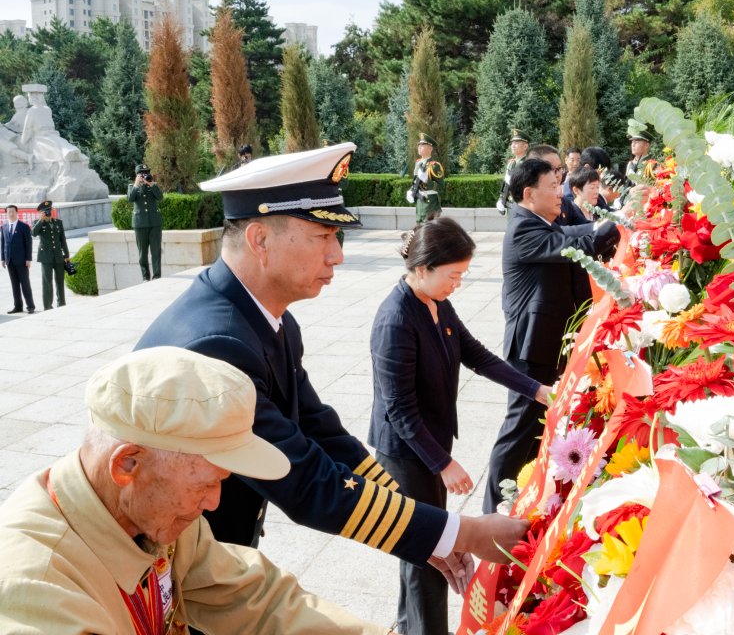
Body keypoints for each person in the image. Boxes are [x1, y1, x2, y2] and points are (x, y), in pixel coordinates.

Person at [136, 143, 524, 589]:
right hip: (159, 571)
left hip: (209, 554)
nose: (337, 254)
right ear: (259, 240)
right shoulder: (218, 344)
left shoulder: (260, 315)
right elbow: (303, 480)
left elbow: (320, 429)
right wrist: (464, 532)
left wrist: (420, 523)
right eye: (323, 236)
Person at [0, 346, 393, 634]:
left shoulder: (147, 507)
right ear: (127, 465)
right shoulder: (35, 586)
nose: (214, 502)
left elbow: (252, 598)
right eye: (206, 483)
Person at [370, 217, 552, 635]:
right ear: (422, 269)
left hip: (429, 443)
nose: (457, 284)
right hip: (406, 452)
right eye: (452, 275)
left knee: (423, 545)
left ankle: (409, 625)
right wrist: (443, 464)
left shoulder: (437, 303)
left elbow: (478, 356)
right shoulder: (395, 320)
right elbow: (399, 410)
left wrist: (536, 390)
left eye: (462, 276)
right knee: (428, 554)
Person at [484, 158, 621, 514]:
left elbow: (574, 233)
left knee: (536, 430)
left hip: (549, 340)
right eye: (553, 186)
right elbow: (572, 243)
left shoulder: (541, 220)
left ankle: (523, 499)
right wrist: (613, 226)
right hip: (531, 346)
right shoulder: (523, 229)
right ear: (528, 194)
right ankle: (493, 508)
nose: (560, 192)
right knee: (519, 429)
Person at [30, 200, 69, 310]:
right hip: (45, 257)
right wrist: (41, 221)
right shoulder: (37, 222)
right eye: (46, 211)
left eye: (49, 210)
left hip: (58, 256)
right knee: (47, 282)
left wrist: (66, 255)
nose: (48, 213)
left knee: (60, 281)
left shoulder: (58, 222)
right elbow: (33, 233)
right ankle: (47, 306)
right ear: (41, 213)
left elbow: (63, 239)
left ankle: (61, 304)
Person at [128, 164, 164, 282]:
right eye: (142, 174)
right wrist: (136, 184)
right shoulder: (133, 187)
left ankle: (157, 276)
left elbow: (160, 197)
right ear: (137, 175)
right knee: (142, 253)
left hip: (154, 223)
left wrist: (151, 184)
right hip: (140, 223)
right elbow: (130, 198)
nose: (144, 176)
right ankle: (145, 277)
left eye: (146, 173)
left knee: (156, 251)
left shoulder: (153, 185)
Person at [406, 133, 445, 223]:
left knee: (430, 231)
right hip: (419, 203)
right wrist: (411, 190)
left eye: (423, 145)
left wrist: (427, 181)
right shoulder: (418, 164)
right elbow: (416, 182)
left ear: (430, 149)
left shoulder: (434, 166)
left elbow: (441, 187)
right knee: (419, 229)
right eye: (419, 145)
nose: (419, 147)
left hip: (430, 204)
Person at [2, 205, 34, 314]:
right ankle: (18, 306)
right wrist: (2, 258)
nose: (11, 214)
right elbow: (3, 244)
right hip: (9, 260)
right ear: (6, 214)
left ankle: (30, 306)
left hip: (22, 260)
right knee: (14, 285)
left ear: (17, 212)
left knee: (25, 283)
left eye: (13, 212)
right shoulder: (4, 227)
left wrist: (28, 258)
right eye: (9, 212)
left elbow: (29, 243)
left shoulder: (23, 226)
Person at [495, 129, 529, 217]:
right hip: (511, 207)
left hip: (522, 208)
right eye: (512, 143)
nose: (513, 145)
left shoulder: (528, 163)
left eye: (517, 143)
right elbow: (506, 185)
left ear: (525, 146)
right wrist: (501, 199)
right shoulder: (511, 164)